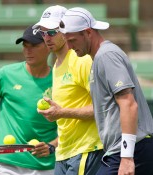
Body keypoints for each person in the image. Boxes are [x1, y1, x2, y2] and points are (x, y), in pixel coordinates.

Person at [59, 7, 153, 175]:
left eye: (72, 40)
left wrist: (126, 157)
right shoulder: (98, 59)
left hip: (132, 151)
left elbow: (129, 104)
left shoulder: (106, 55)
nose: (69, 46)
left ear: (88, 32)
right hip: (125, 151)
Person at [33, 5, 104, 175]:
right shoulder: (56, 65)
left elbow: (101, 108)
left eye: (52, 32)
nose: (47, 37)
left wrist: (62, 112)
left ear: (65, 30)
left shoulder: (82, 61)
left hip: (86, 149)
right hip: (64, 153)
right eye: (43, 33)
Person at [0, 25, 58, 175]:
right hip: (7, 164)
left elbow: (71, 126)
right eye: (25, 46)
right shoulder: (5, 74)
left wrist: (52, 145)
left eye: (34, 46)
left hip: (46, 166)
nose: (28, 50)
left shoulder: (59, 80)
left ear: (48, 46)